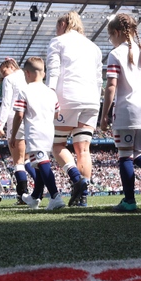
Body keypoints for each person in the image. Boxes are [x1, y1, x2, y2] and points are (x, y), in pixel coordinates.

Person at [98, 13, 141, 212]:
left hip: (126, 111)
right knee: (138, 153)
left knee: (125, 156)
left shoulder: (115, 54)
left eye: (110, 36)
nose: (110, 41)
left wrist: (104, 114)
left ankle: (129, 200)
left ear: (117, 32)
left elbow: (111, 86)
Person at [47, 11, 103, 206]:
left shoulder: (58, 41)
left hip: (67, 98)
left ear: (63, 24)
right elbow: (99, 79)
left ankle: (76, 179)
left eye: (57, 25)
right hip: (91, 100)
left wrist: (50, 96)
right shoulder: (94, 47)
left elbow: (53, 71)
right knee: (83, 150)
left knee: (58, 145)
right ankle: (83, 197)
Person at [11, 57, 66, 210]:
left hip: (35, 132)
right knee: (38, 165)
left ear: (26, 73)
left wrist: (14, 135)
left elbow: (19, 115)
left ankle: (55, 196)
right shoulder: (51, 92)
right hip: (49, 131)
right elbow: (57, 113)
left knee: (41, 163)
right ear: (44, 73)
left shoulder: (24, 90)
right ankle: (35, 196)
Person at [0, 58, 36, 202]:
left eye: (4, 71)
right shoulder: (29, 76)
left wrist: (0, 125)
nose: (3, 75)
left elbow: (6, 103)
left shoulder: (9, 79)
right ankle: (39, 188)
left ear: (10, 66)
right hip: (31, 119)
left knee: (18, 161)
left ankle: (22, 194)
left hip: (15, 118)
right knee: (27, 159)